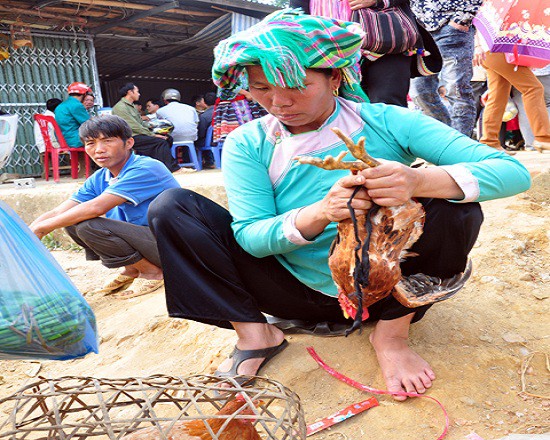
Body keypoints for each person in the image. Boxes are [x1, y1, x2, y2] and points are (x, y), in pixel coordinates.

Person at [148, 10, 530, 400]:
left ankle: (392, 337)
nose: (278, 102)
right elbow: (251, 236)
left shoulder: (388, 121)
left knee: (457, 205)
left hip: (386, 289)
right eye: (261, 89)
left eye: (297, 85)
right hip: (293, 291)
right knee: (172, 206)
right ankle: (256, 334)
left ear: (334, 76)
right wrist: (320, 212)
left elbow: (511, 172)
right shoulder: (250, 143)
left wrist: (418, 180)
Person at [30, 115, 180, 300]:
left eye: (107, 141)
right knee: (71, 220)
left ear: (129, 143)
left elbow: (96, 208)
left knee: (89, 225)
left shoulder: (146, 168)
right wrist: (28, 233)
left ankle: (152, 272)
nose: (99, 150)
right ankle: (132, 269)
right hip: (148, 241)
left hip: (174, 247)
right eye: (90, 143)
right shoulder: (101, 176)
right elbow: (59, 211)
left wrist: (43, 228)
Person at [290, 0, 442, 107]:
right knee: (338, 110)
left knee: (388, 106)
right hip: (328, 49)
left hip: (386, 41)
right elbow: (297, 10)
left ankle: (388, 152)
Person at [409, 0, 483, 136]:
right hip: (419, 27)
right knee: (419, 91)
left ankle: (460, 144)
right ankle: (446, 138)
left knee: (456, 90)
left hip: (451, 26)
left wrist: (462, 18)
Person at [474, 47, 550, 153]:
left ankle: (489, 142)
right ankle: (543, 138)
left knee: (498, 96)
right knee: (533, 89)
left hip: (491, 51)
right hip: (500, 50)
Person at [111, 82, 182, 173]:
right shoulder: (120, 107)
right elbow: (133, 126)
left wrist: (154, 127)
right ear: (130, 92)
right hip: (131, 137)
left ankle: (160, 167)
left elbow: (141, 123)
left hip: (139, 134)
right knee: (160, 142)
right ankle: (174, 168)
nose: (139, 94)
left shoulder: (131, 106)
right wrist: (152, 135)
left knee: (168, 138)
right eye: (137, 91)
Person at [511, 65, 550, 152]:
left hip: (517, 70)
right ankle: (544, 140)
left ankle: (530, 144)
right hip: (544, 69)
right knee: (546, 105)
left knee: (523, 107)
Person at [54, 82, 92, 147]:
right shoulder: (76, 105)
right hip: (75, 140)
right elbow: (88, 124)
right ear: (84, 93)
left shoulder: (61, 106)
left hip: (63, 140)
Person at [195, 92, 217, 168]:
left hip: (210, 142)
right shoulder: (224, 112)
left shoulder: (204, 116)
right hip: (222, 139)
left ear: (204, 102)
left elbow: (201, 134)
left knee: (198, 141)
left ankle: (209, 162)